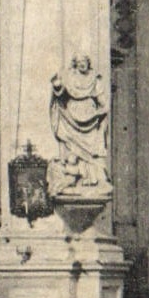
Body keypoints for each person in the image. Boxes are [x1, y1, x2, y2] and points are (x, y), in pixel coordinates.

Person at [48, 53, 112, 196]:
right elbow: (60, 94)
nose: (82, 64)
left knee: (91, 152)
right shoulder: (69, 77)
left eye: (84, 61)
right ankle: (76, 178)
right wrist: (57, 85)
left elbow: (102, 101)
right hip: (71, 118)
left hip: (90, 119)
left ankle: (91, 180)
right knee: (73, 150)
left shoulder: (95, 79)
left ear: (88, 63)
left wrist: (101, 110)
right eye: (79, 62)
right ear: (75, 63)